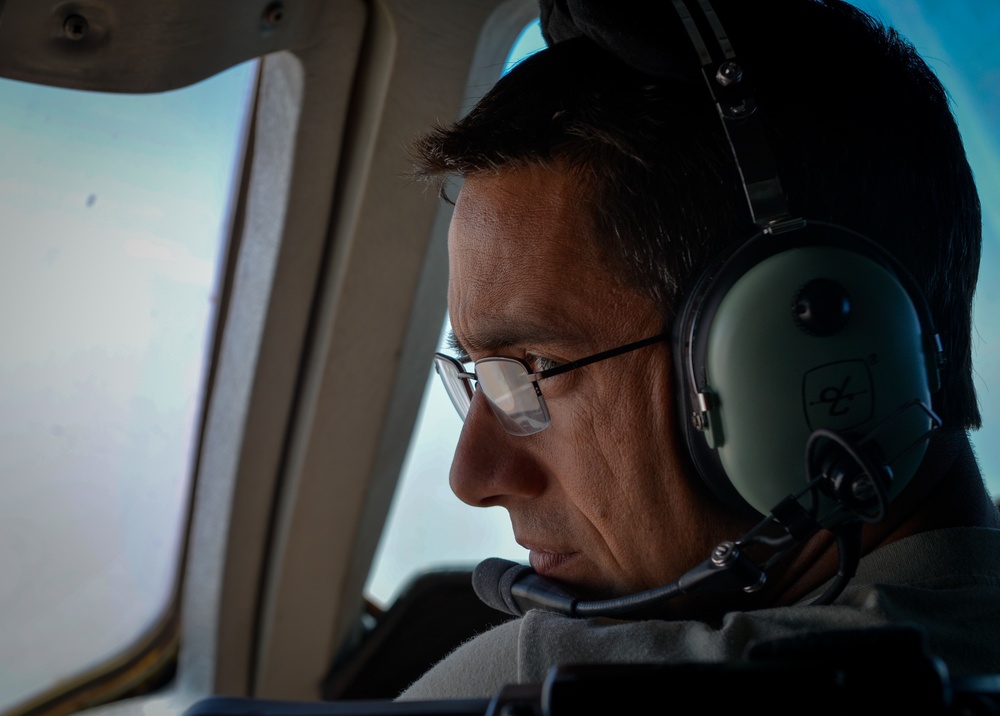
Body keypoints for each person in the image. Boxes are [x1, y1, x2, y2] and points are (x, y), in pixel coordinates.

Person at [397, 0, 1000, 700]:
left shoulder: (546, 685)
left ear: (787, 353)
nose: (473, 476)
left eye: (533, 370)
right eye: (477, 375)